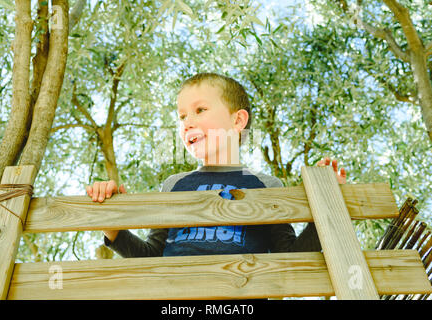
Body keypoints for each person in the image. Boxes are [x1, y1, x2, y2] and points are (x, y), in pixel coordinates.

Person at [86, 73, 347, 258]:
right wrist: (113, 224)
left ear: (237, 121)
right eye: (182, 116)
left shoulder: (266, 185)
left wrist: (328, 198)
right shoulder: (174, 184)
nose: (187, 122)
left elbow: (290, 258)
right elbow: (152, 256)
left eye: (200, 110)